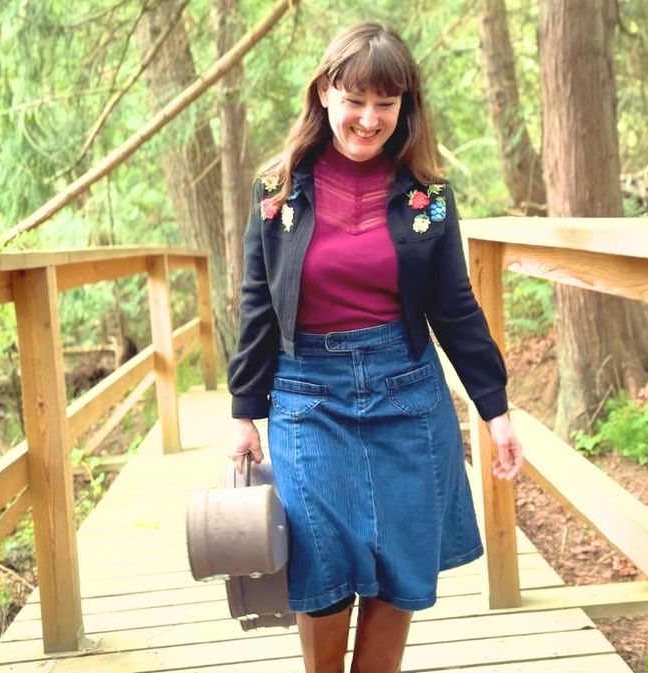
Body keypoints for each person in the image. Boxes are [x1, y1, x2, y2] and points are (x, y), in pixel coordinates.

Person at [227, 22, 523, 673]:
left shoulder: (429, 196)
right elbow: (258, 303)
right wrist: (245, 411)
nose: (368, 119)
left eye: (384, 104)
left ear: (404, 107)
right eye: (354, 99)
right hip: (308, 397)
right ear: (326, 92)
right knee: (322, 566)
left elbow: (454, 305)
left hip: (407, 393)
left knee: (397, 572)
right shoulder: (278, 192)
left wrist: (495, 408)